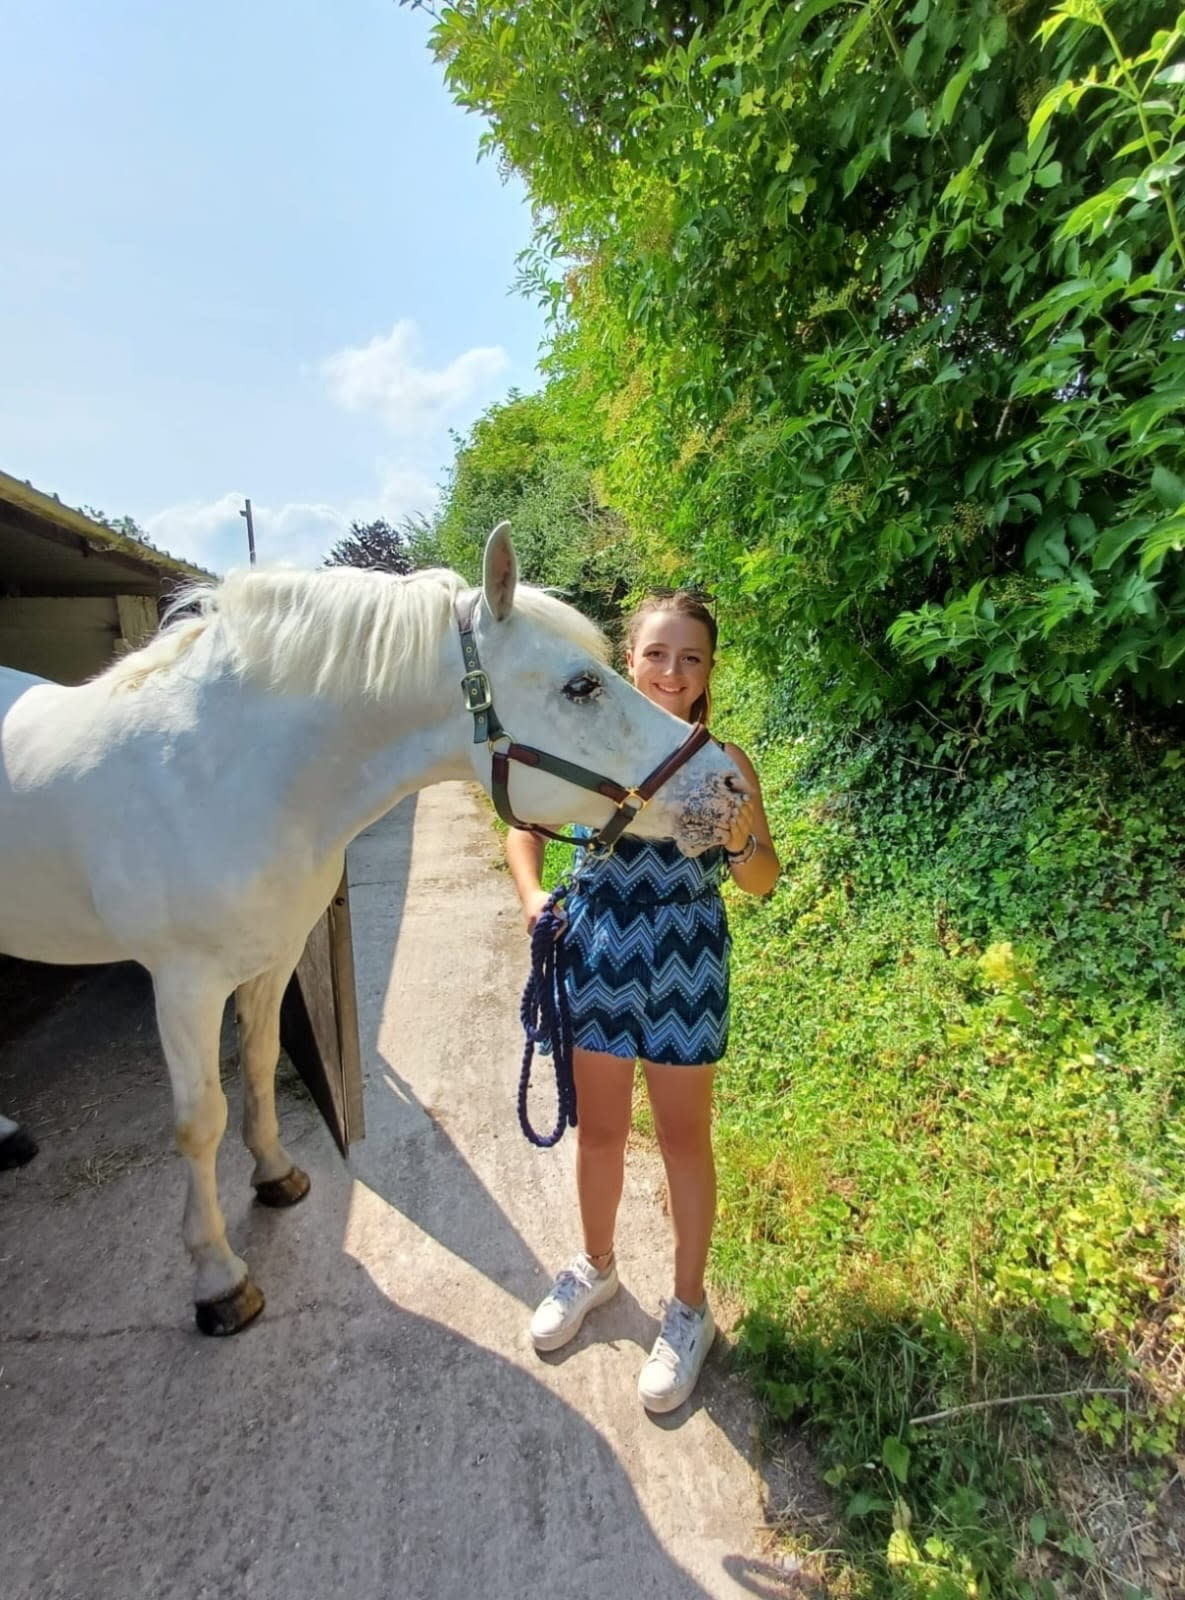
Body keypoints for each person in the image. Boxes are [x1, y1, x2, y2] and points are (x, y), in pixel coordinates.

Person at [506, 588, 780, 1413]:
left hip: (684, 956)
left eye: (689, 657)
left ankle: (687, 1309)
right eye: (655, 653)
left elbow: (761, 882)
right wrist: (529, 898)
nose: (670, 670)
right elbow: (523, 821)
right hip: (596, 950)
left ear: (707, 673)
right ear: (627, 661)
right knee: (602, 1133)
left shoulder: (713, 762)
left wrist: (736, 835)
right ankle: (595, 1265)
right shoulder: (593, 743)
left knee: (682, 1140)